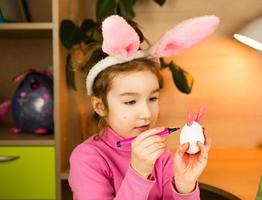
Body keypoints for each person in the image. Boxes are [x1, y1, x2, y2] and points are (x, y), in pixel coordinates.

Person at [69, 15, 219, 199]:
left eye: (153, 98)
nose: (147, 114)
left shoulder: (161, 155)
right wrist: (138, 173)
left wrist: (184, 185)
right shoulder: (87, 158)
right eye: (130, 102)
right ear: (100, 106)